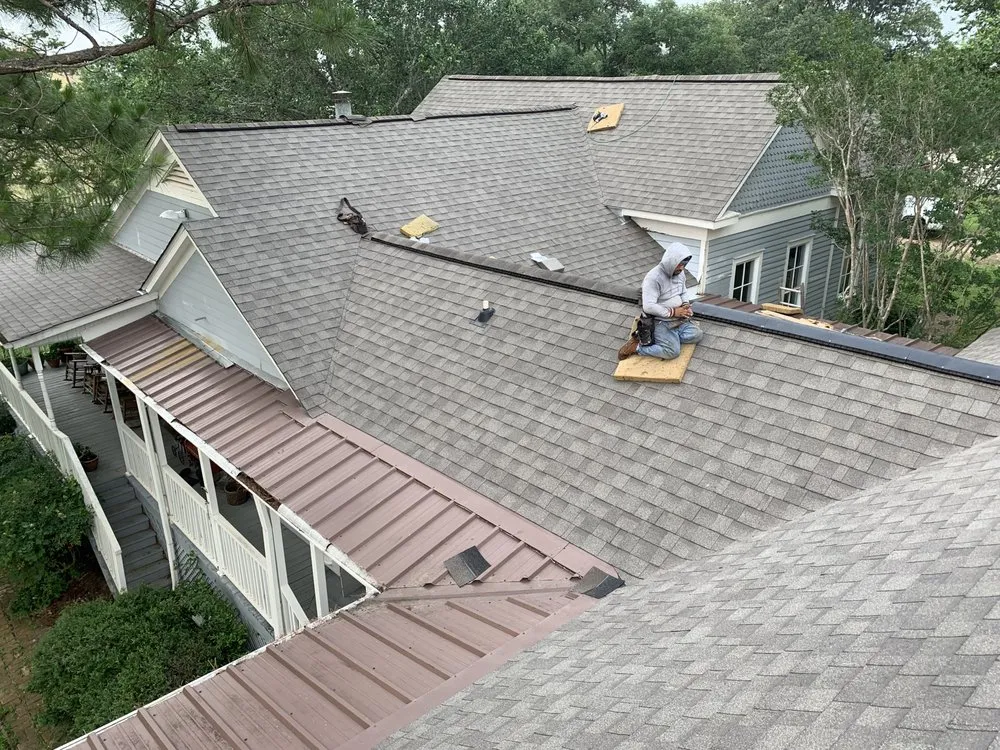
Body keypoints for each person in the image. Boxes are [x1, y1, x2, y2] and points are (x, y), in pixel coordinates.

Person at [618, 243, 704, 361]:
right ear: (672, 261)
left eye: (684, 265)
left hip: (677, 320)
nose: (682, 268)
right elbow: (649, 306)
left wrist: (685, 305)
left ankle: (666, 338)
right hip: (659, 321)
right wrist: (674, 312)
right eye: (679, 265)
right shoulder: (654, 278)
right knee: (672, 352)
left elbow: (683, 292)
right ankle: (637, 347)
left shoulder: (680, 273)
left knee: (697, 335)